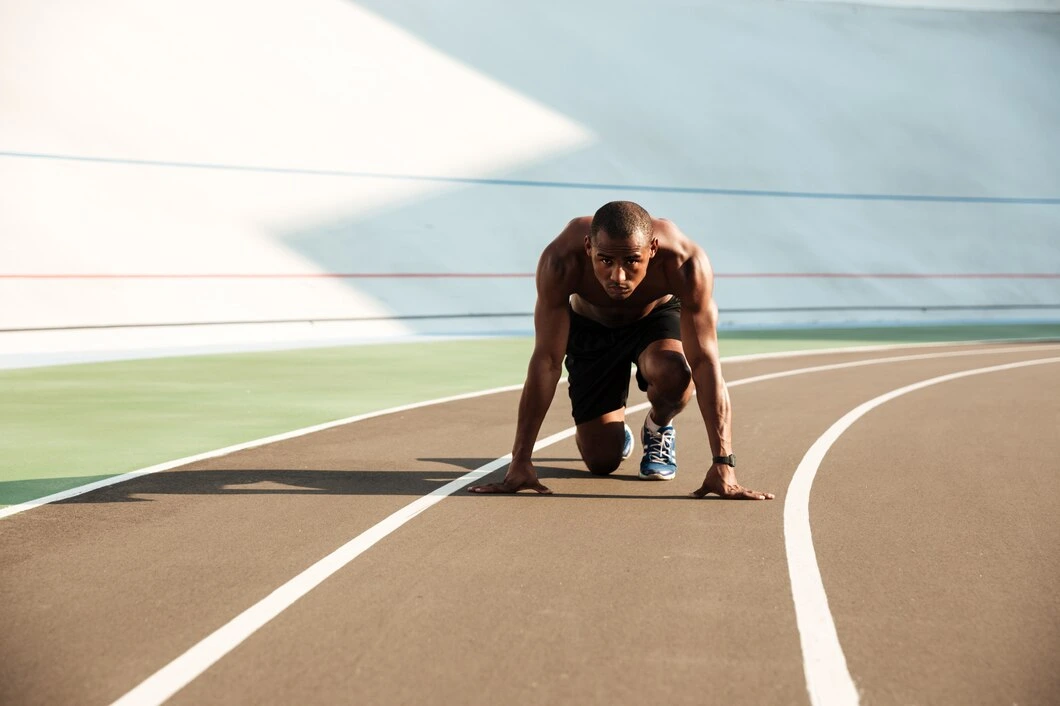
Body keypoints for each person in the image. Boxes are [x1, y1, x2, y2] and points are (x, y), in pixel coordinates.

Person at [469, 201, 773, 500]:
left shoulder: (684, 262)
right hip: (591, 327)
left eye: (631, 261)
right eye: (605, 261)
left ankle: (659, 426)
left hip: (654, 320)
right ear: (588, 247)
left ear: (652, 249)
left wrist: (723, 463)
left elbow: (706, 363)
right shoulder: (561, 260)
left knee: (675, 372)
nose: (618, 276)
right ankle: (615, 432)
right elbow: (547, 361)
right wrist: (521, 459)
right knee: (602, 461)